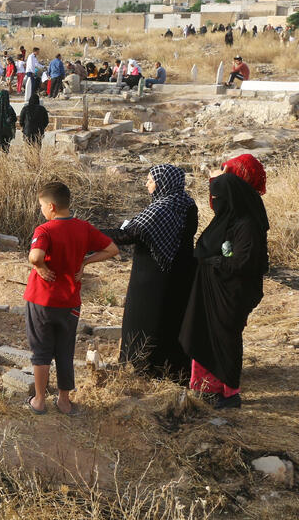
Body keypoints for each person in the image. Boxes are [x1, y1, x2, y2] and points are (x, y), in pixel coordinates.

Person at [179, 155, 269, 409]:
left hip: (232, 293)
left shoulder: (247, 225)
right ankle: (208, 386)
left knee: (226, 339)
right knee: (207, 336)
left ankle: (230, 393)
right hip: (215, 289)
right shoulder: (229, 219)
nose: (214, 202)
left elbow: (243, 263)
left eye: (218, 198)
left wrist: (214, 262)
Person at [24, 182, 119, 415]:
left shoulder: (44, 230)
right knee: (65, 350)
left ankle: (39, 401)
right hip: (70, 301)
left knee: (42, 351)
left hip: (42, 300)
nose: (41, 211)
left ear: (52, 207)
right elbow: (112, 249)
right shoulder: (84, 228)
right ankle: (64, 401)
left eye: (42, 206)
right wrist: (85, 261)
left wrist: (39, 267)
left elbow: (35, 256)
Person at [101, 165, 197, 382]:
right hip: (179, 275)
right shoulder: (186, 203)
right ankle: (172, 370)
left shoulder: (161, 208)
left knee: (144, 321)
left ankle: (143, 369)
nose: (146, 183)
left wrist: (90, 233)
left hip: (152, 278)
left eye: (150, 180)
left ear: (163, 183)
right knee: (171, 320)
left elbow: (129, 234)